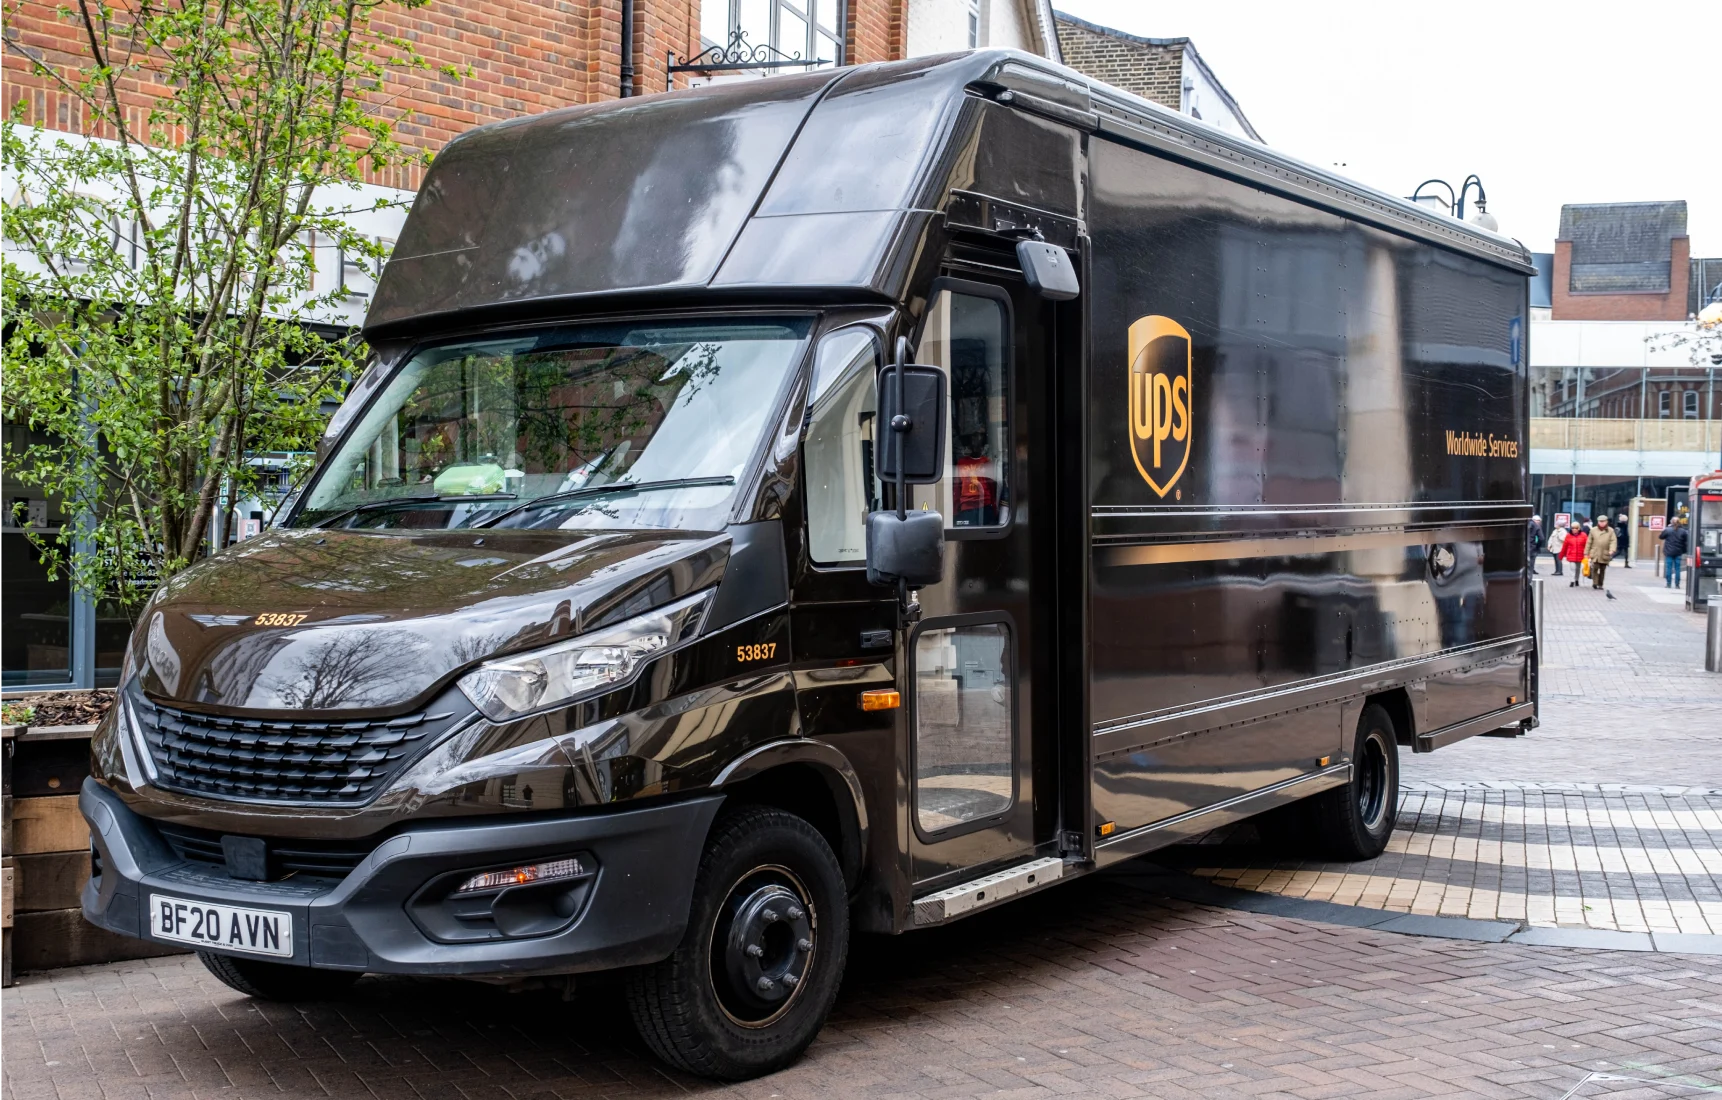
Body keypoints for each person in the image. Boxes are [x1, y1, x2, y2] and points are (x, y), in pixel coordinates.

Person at [1587, 516, 1617, 596]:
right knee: (1595, 568)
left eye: (1603, 521)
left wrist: (1612, 550)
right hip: (1595, 553)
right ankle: (1595, 583)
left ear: (1606, 522)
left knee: (1602, 569)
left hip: (1605, 553)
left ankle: (1600, 584)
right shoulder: (1593, 530)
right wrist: (1586, 552)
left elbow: (1613, 541)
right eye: (1600, 521)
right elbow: (1589, 542)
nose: (1602, 523)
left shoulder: (1610, 531)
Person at [1660, 517, 1689, 589]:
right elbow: (1685, 540)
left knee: (1669, 567)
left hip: (1669, 552)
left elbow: (1661, 537)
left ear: (1671, 522)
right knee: (1677, 568)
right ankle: (1677, 584)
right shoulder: (1683, 531)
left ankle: (1668, 583)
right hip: (1678, 552)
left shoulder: (1668, 530)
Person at [1562, 522, 1587, 587]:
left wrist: (1587, 554)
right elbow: (1565, 545)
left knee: (1578, 569)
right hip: (1571, 554)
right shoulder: (1568, 535)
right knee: (1572, 568)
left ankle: (1576, 580)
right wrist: (1562, 554)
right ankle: (1572, 581)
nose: (1574, 529)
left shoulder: (1583, 535)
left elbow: (1587, 545)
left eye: (1576, 528)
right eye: (1573, 528)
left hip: (1580, 554)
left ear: (1579, 528)